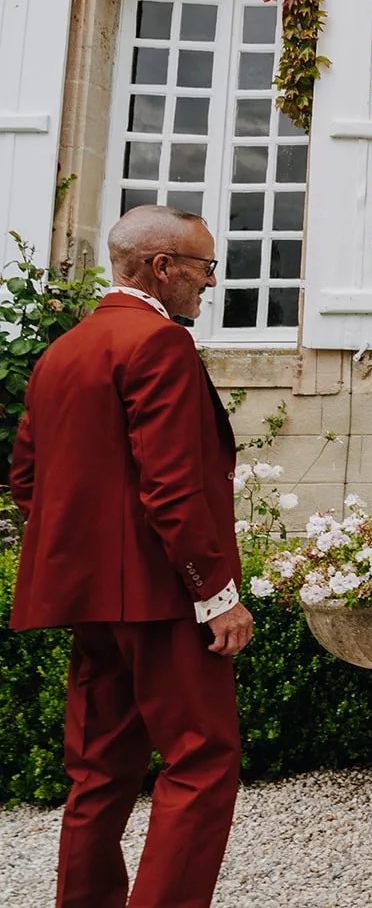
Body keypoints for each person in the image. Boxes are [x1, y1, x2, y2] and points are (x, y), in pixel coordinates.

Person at [9, 204, 252, 908]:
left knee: (97, 772)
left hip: (91, 604)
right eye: (204, 268)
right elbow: (172, 488)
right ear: (162, 266)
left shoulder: (62, 351)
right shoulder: (159, 343)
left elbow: (28, 480)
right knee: (203, 760)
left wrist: (92, 555)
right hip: (161, 599)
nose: (210, 283)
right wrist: (216, 593)